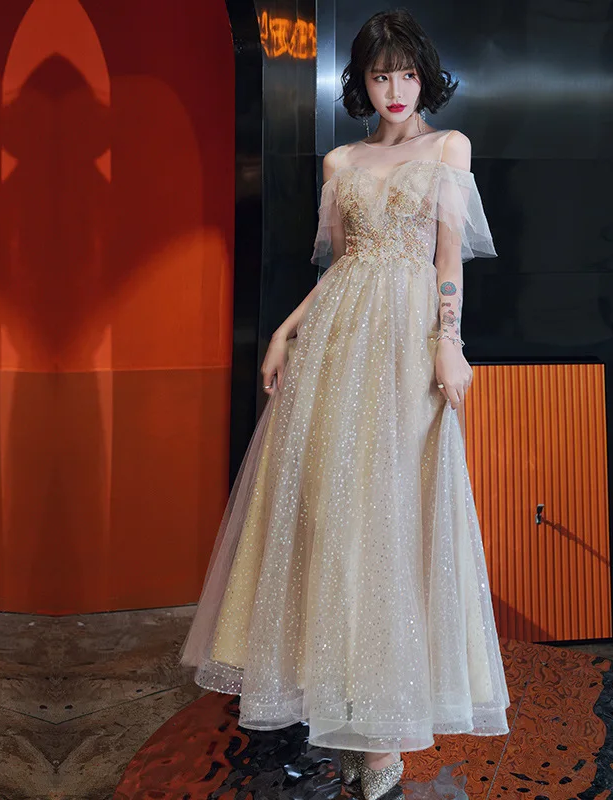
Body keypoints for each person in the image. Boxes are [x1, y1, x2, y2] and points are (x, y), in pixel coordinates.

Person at [179, 9, 511, 799]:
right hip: (338, 342)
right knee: (336, 515)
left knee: (399, 513)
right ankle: (347, 702)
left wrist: (448, 342)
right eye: (379, 75)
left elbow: (447, 261)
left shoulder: (449, 148)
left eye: (406, 74)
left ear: (425, 79)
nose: (395, 89)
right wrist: (283, 333)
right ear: (361, 82)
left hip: (407, 344)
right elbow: (339, 268)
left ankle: (387, 730)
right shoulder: (340, 161)